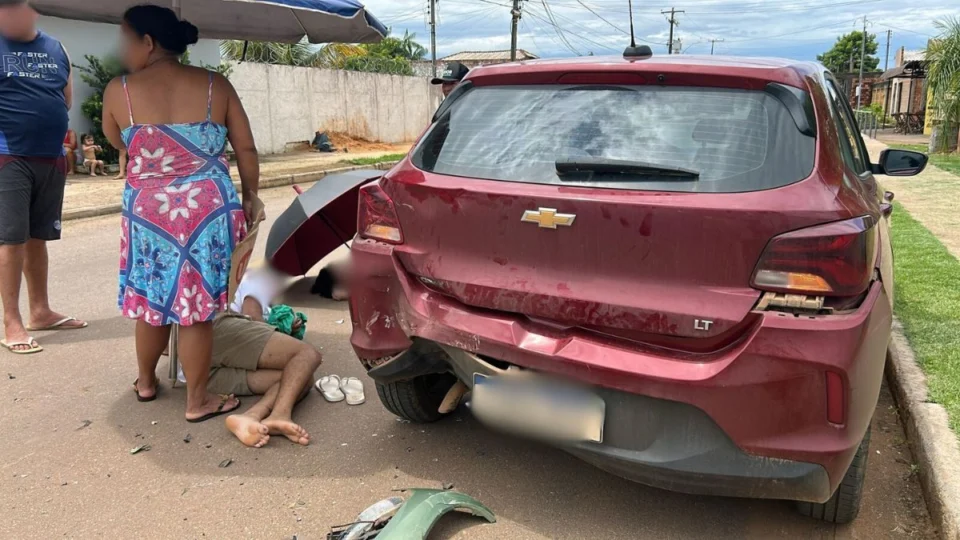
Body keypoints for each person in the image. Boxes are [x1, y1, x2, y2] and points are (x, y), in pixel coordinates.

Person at [101, 5, 260, 423]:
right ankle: (197, 400)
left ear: (148, 42)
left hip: (147, 208)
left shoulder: (119, 90)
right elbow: (245, 147)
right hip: (206, 208)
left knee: (153, 296)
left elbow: (114, 137)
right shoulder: (215, 85)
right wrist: (252, 195)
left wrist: (153, 157)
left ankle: (146, 381)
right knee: (196, 306)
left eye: (126, 40)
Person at [0, 0, 88, 355]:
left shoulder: (56, 47)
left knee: (38, 237)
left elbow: (65, 99)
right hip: (9, 155)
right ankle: (11, 320)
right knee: (11, 240)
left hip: (50, 157)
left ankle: (40, 311)